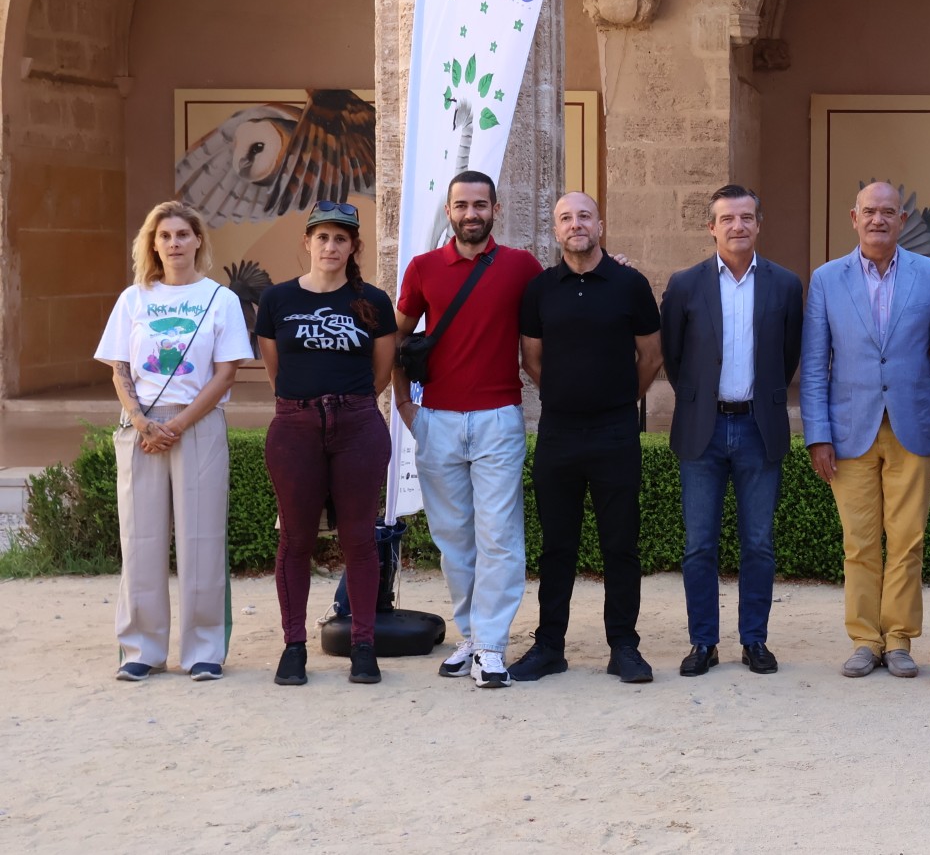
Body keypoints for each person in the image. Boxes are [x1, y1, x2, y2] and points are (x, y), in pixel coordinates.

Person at [394, 170, 544, 689]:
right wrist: (402, 404)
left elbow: (562, 300)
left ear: (495, 210)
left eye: (480, 205)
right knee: (453, 538)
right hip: (435, 418)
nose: (471, 214)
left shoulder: (522, 266)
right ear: (450, 212)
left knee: (500, 536)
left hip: (498, 417)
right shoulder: (423, 268)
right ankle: (471, 634)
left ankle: (491, 647)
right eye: (462, 205)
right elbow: (396, 336)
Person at [507, 192, 662, 685]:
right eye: (565, 218)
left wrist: (617, 400)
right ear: (556, 231)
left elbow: (651, 357)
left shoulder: (630, 284)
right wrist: (564, 395)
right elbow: (531, 358)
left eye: (584, 216)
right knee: (558, 546)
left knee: (621, 544)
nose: (576, 225)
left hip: (615, 431)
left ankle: (624, 646)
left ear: (601, 224)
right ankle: (550, 644)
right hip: (559, 432)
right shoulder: (539, 290)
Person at [801, 180, 930, 678]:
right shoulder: (827, 279)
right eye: (869, 211)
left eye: (888, 212)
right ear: (854, 216)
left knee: (907, 541)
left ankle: (900, 638)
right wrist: (818, 434)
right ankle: (865, 640)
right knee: (859, 541)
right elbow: (815, 364)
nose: (878, 220)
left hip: (915, 426)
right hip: (849, 432)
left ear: (902, 221)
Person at [95, 201, 251, 682]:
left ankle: (204, 648)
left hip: (197, 425)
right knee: (139, 539)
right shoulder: (133, 299)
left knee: (201, 538)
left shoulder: (219, 298)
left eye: (183, 234)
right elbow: (120, 368)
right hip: (141, 429)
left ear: (198, 240)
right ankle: (141, 648)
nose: (175, 243)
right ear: (153, 243)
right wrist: (143, 424)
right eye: (165, 236)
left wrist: (178, 425)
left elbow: (226, 373)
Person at [661, 184, 804, 677]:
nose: (737, 226)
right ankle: (703, 642)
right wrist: (704, 400)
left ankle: (754, 641)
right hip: (703, 428)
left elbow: (788, 358)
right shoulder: (684, 284)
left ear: (759, 224)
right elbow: (675, 360)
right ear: (711, 227)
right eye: (727, 219)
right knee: (699, 545)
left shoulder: (785, 285)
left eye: (746, 218)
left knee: (759, 544)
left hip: (758, 429)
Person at [254, 201, 397, 686]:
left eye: (341, 238)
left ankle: (362, 645)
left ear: (354, 246)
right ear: (307, 242)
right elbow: (276, 370)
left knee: (359, 539)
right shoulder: (277, 300)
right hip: (295, 424)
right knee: (295, 538)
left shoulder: (373, 301)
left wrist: (348, 406)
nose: (331, 246)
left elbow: (381, 372)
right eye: (323, 237)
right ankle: (294, 645)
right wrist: (306, 407)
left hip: (356, 423)